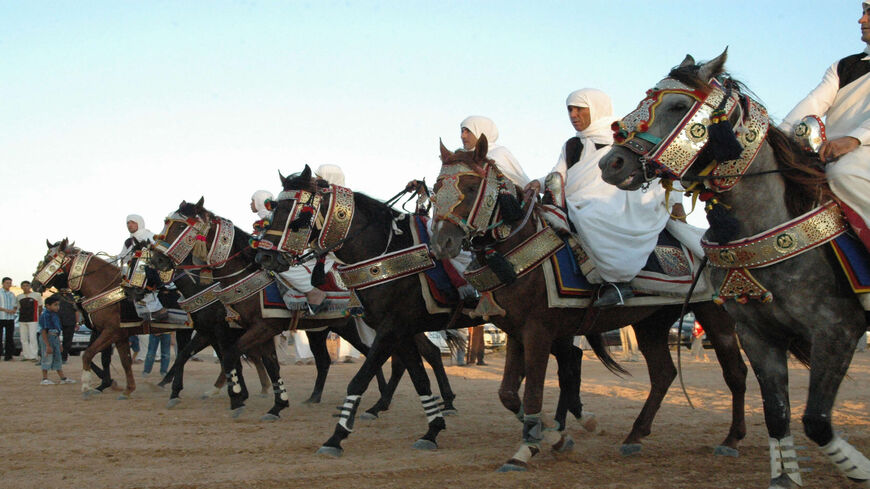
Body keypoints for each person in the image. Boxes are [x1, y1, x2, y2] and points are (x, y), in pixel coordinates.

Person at [528, 89, 670, 307]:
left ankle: (617, 283)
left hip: (619, 198)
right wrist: (538, 182)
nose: (573, 115)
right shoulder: (572, 144)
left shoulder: (622, 136)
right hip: (579, 197)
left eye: (579, 109)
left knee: (590, 216)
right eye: (570, 109)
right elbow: (559, 173)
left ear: (595, 109)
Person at [780, 3, 870, 250]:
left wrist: (854, 139)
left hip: (857, 154)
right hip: (833, 153)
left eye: (869, 13)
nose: (861, 20)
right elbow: (813, 103)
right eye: (862, 12)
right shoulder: (844, 66)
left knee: (844, 174)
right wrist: (778, 138)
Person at [274, 165, 342, 314]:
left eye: (319, 176)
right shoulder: (316, 199)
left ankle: (312, 292)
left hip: (331, 252)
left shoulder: (338, 203)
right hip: (314, 248)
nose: (315, 180)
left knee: (283, 266)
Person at [459, 115, 531, 187]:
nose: (462, 136)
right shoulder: (460, 158)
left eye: (468, 131)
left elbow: (519, 185)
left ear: (481, 131)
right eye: (462, 131)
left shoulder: (499, 153)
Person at [38, 296, 75, 384]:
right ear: (48, 306)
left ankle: (63, 378)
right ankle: (45, 378)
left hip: (54, 337)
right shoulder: (45, 316)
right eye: (55, 305)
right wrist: (47, 345)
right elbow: (44, 331)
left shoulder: (55, 315)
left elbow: (57, 331)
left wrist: (59, 343)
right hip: (47, 337)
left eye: (58, 305)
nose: (57, 307)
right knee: (47, 357)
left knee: (58, 357)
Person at [16, 280, 42, 362]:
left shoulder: (36, 295)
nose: (25, 287)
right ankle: (26, 355)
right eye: (23, 286)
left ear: (30, 286)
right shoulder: (19, 296)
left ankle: (34, 355)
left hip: (33, 319)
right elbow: (18, 307)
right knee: (23, 338)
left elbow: (40, 306)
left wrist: (38, 315)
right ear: (21, 287)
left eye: (27, 285)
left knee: (32, 337)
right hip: (22, 319)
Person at [56, 289, 79, 364]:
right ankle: (56, 357)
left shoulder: (72, 298)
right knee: (54, 339)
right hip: (57, 321)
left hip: (70, 321)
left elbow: (76, 311)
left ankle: (64, 357)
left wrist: (77, 322)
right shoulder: (55, 296)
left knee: (67, 341)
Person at [0, 277, 17, 360]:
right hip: (1, 317)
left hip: (10, 318)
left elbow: (15, 305)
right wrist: (6, 310)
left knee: (9, 337)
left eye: (10, 283)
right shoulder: (0, 293)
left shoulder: (12, 294)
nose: (9, 284)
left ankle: (8, 355)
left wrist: (14, 310)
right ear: (3, 283)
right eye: (7, 283)